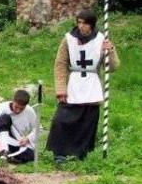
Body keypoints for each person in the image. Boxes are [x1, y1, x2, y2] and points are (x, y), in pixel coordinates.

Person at [46, 9, 119, 164]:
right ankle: (60, 154)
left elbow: (112, 67)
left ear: (91, 25)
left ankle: (80, 154)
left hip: (92, 84)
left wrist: (110, 51)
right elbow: (60, 64)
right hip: (74, 83)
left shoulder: (101, 39)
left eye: (84, 23)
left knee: (87, 122)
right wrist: (60, 88)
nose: (81, 26)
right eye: (79, 22)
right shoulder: (68, 39)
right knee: (61, 119)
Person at [0, 90, 38, 163]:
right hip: (1, 138)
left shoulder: (29, 111)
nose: (18, 111)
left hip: (17, 141)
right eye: (16, 107)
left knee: (32, 155)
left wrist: (27, 139)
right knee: (4, 118)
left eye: (21, 109)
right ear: (13, 101)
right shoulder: (2, 108)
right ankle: (4, 151)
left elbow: (38, 128)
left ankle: (10, 157)